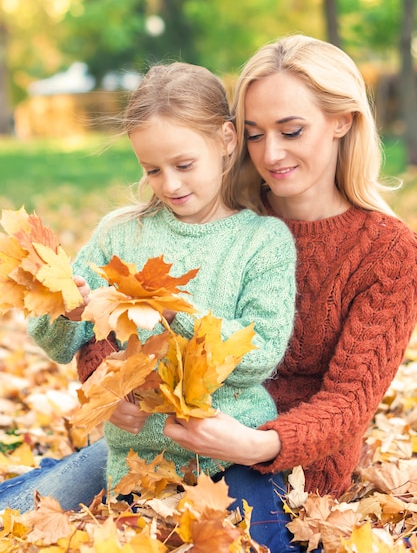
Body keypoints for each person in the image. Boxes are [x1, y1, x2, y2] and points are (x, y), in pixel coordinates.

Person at [0, 62, 297, 548]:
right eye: (151, 170)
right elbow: (60, 344)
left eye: (184, 165)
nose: (170, 185)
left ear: (225, 140)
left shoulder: (262, 241)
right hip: (138, 461)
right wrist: (65, 310)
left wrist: (176, 312)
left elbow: (259, 354)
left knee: (261, 543)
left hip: (230, 457)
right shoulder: (121, 231)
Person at [161, 34, 417, 550]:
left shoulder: (390, 253)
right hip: (175, 437)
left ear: (342, 120)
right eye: (254, 135)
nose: (270, 153)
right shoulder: (226, 217)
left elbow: (348, 403)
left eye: (291, 130)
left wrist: (255, 444)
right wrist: (112, 381)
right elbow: (139, 306)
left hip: (295, 470)